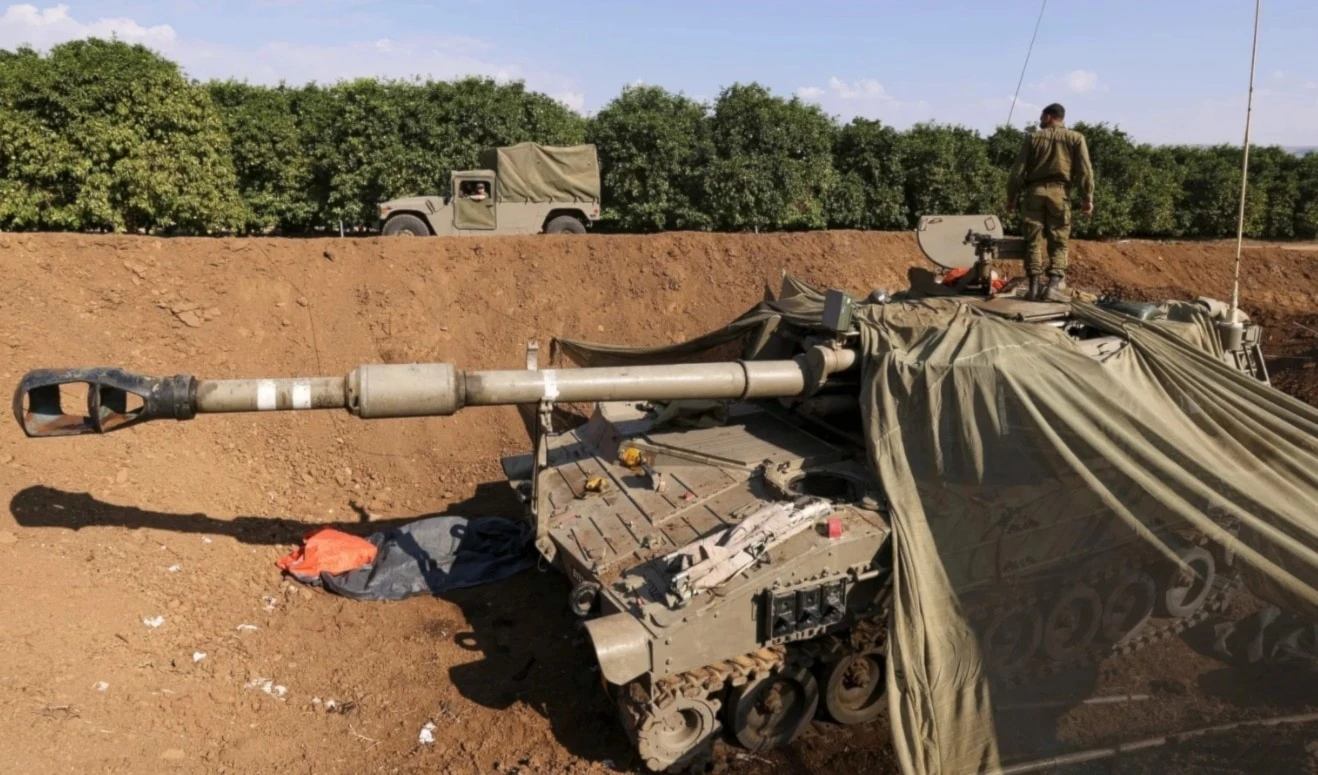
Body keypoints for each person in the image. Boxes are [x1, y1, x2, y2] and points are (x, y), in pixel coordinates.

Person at [1006, 103, 1094, 301]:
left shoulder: (1033, 138)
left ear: (1048, 117)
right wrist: (1087, 198)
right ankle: (1052, 286)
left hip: (1033, 193)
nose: (1039, 121)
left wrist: (1011, 199)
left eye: (1041, 117)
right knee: (1059, 242)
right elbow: (1085, 172)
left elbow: (1017, 172)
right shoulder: (1076, 138)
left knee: (1032, 241)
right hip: (1060, 194)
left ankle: (1034, 288)